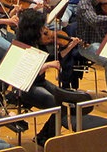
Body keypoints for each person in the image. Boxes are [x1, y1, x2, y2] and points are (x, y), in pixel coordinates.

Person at [15, 9, 78, 146]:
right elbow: (26, 74)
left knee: (66, 99)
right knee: (58, 105)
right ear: (32, 28)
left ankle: (44, 137)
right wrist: (46, 66)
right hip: (27, 88)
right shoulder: (21, 46)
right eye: (41, 26)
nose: (45, 29)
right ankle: (48, 139)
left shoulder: (37, 42)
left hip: (40, 82)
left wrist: (69, 47)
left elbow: (51, 59)